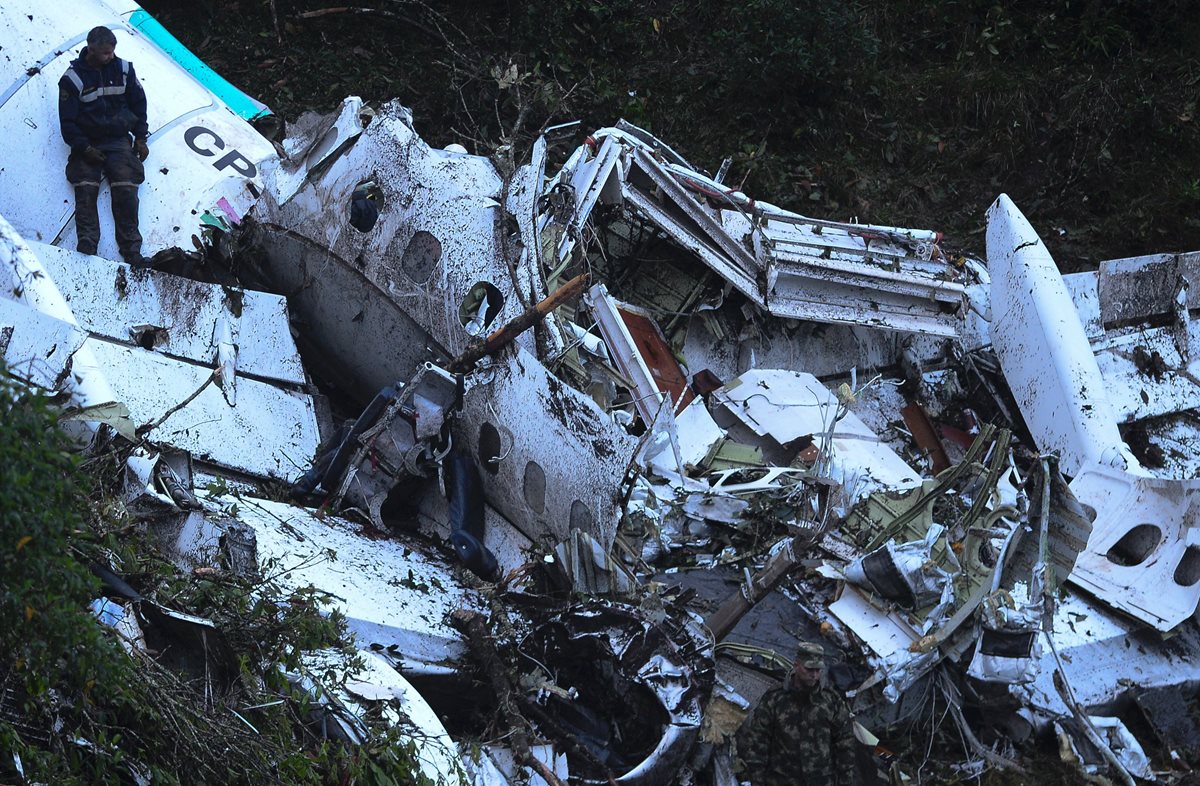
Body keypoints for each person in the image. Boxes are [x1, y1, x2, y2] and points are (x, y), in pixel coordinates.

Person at [58, 26, 149, 264]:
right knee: (85, 189)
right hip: (87, 142)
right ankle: (87, 246)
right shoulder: (72, 79)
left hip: (118, 140)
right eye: (106, 53)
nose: (111, 57)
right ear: (91, 50)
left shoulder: (124, 70)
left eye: (112, 52)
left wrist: (140, 137)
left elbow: (139, 103)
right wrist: (84, 149)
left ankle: (132, 251)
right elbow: (67, 122)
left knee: (126, 189)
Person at [737, 641, 858, 785]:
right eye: (809, 669)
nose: (814, 675)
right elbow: (758, 741)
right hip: (781, 780)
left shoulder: (830, 700)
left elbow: (845, 742)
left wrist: (845, 781)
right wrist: (756, 779)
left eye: (818, 670)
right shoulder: (775, 698)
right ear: (797, 666)